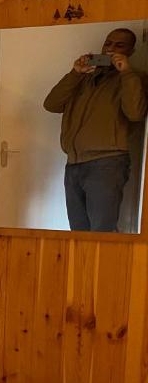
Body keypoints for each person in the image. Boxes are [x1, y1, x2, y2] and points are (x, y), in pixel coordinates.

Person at [43, 28, 148, 232]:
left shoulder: (135, 78)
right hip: (73, 164)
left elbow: (135, 113)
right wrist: (75, 73)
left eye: (119, 45)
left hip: (107, 164)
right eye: (108, 43)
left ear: (131, 51)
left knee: (103, 231)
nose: (111, 49)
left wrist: (126, 72)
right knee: (78, 231)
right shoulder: (83, 78)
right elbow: (51, 104)